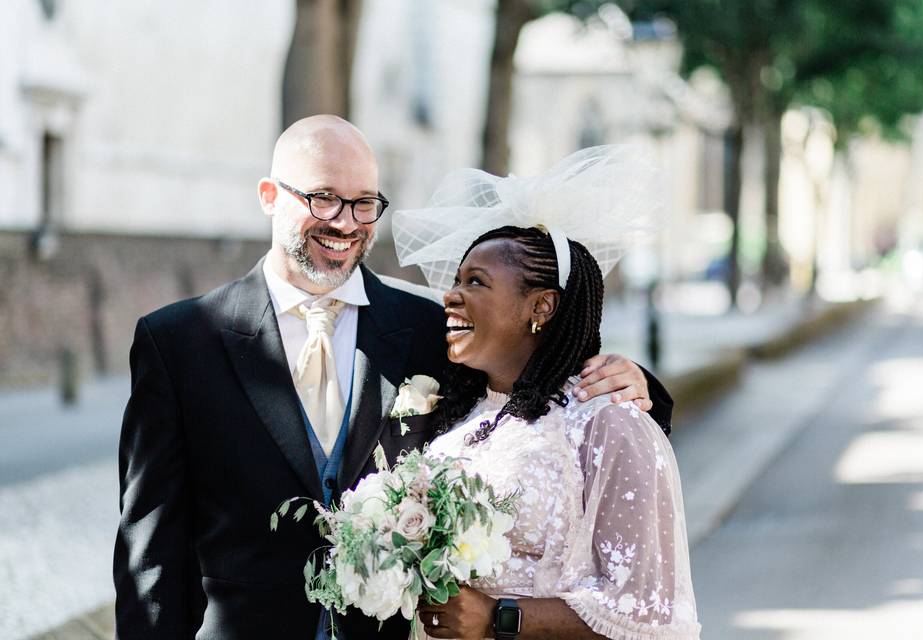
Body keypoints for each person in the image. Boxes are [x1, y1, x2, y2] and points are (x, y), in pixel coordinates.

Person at [113, 116, 673, 640]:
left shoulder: (431, 330)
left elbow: (542, 377)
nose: (345, 222)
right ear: (268, 197)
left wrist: (634, 379)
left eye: (363, 204)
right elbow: (151, 551)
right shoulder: (180, 342)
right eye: (323, 198)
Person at [393, 147, 700, 639]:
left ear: (541, 306)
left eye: (476, 282)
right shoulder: (460, 413)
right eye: (456, 280)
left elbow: (652, 614)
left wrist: (499, 618)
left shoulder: (608, 420)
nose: (450, 296)